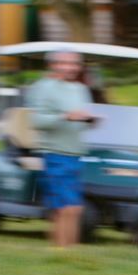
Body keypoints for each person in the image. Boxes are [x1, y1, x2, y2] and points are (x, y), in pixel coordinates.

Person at [26, 50, 97, 247]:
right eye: (64, 63)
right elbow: (36, 120)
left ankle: (67, 252)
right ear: (53, 65)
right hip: (56, 154)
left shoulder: (81, 90)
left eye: (74, 64)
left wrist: (91, 121)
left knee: (71, 209)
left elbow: (81, 121)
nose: (70, 67)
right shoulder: (42, 88)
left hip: (76, 154)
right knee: (68, 208)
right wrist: (65, 116)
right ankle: (62, 252)